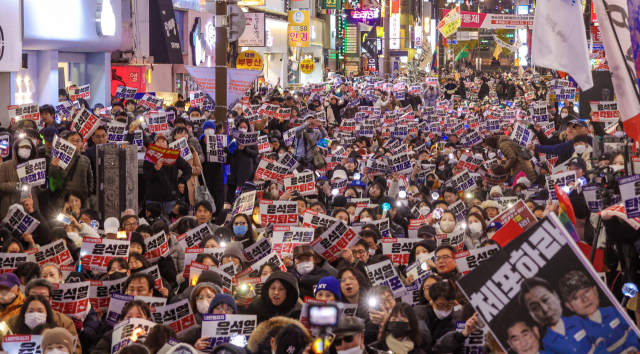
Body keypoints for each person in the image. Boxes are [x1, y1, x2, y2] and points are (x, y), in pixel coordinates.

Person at [519, 277, 608, 354]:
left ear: (556, 296)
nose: (545, 310)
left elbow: (601, 339)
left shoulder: (577, 320)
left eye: (545, 300)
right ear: (532, 315)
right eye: (535, 308)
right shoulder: (547, 341)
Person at [143, 134, 193, 215]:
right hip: (153, 197)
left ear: (167, 143)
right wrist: (155, 169)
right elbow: (146, 176)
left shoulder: (173, 155)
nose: (161, 143)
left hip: (170, 197)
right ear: (154, 144)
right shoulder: (149, 157)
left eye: (163, 141)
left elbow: (188, 168)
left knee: (169, 222)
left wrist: (182, 181)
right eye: (158, 141)